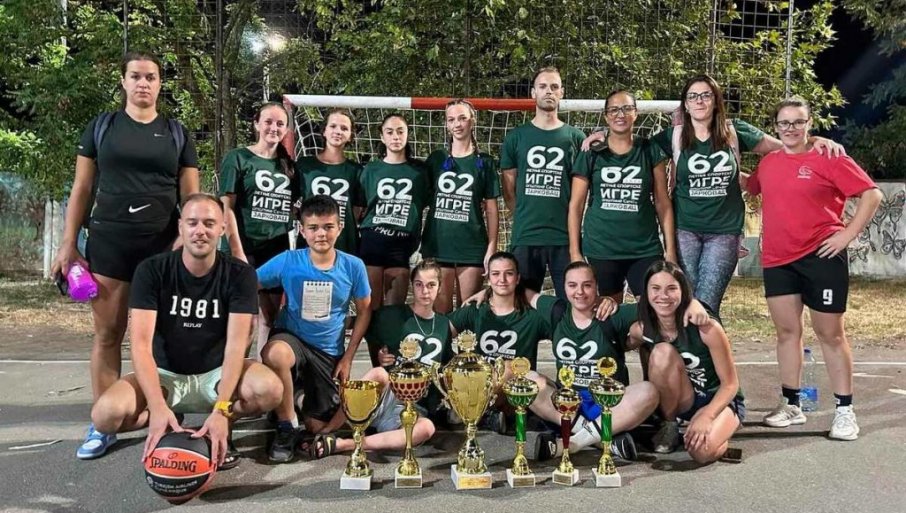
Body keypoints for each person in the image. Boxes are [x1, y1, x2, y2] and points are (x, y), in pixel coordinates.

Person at [582, 74, 843, 315]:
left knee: (706, 304)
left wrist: (812, 141)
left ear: (716, 100)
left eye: (705, 95)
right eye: (693, 96)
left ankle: (707, 351)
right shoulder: (673, 136)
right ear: (685, 104)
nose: (699, 101)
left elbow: (784, 146)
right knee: (683, 302)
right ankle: (685, 352)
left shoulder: (734, 131)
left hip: (724, 231)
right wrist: (604, 133)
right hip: (685, 230)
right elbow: (630, 143)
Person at [53, 51, 200, 460]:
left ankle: (167, 415)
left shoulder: (176, 133)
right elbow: (82, 188)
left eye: (151, 77)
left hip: (162, 249)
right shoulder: (102, 127)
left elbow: (190, 195)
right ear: (123, 81)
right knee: (107, 335)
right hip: (110, 245)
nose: (143, 83)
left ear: (160, 83)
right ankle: (104, 424)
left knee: (167, 338)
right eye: (135, 76)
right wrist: (68, 243)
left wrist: (185, 240)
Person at [88, 194, 282, 470]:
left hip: (216, 374)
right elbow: (140, 346)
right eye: (192, 223)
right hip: (165, 375)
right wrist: (156, 406)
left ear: (222, 228)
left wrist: (222, 410)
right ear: (180, 227)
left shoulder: (240, 275)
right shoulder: (152, 270)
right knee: (104, 416)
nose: (200, 230)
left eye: (209, 223)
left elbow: (236, 346)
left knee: (270, 390)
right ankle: (169, 420)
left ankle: (219, 425)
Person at [744, 97, 881, 440]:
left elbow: (872, 195)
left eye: (797, 122)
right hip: (778, 259)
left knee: (830, 334)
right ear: (776, 127)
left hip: (821, 255)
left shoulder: (829, 156)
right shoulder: (770, 163)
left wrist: (847, 235)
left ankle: (845, 411)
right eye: (784, 123)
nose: (790, 128)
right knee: (787, 333)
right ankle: (791, 405)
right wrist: (715, 166)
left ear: (809, 124)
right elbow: (750, 186)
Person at [258, 195, 372, 463]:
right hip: (292, 339)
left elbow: (365, 311)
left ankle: (295, 397)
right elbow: (248, 283)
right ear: (302, 230)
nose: (321, 234)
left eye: (328, 227)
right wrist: (262, 313)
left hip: (327, 351)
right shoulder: (288, 260)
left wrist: (348, 357)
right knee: (275, 353)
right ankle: (286, 425)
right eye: (313, 228)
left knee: (317, 427)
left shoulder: (353, 266)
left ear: (340, 228)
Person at [310, 260, 452, 459]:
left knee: (426, 428)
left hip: (414, 407)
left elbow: (445, 369)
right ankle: (328, 430)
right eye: (419, 284)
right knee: (378, 373)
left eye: (431, 285)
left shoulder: (444, 325)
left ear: (440, 287)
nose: (425, 291)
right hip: (387, 394)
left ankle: (345, 444)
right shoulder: (391, 315)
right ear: (412, 286)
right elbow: (361, 324)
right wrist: (379, 353)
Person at [631, 261, 744, 463]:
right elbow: (615, 333)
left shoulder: (707, 328)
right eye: (655, 288)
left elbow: (730, 384)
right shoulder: (643, 328)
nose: (663, 296)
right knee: (661, 352)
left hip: (718, 399)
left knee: (701, 452)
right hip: (685, 399)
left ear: (683, 291)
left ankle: (720, 436)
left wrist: (708, 415)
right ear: (646, 293)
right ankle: (669, 425)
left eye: (671, 288)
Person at [569, 90, 675, 302]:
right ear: (606, 116)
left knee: (652, 308)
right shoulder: (591, 152)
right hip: (602, 248)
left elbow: (663, 202)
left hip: (644, 248)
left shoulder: (650, 149)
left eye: (627, 108)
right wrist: (575, 252)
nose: (620, 114)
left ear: (636, 113)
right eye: (614, 110)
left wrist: (670, 249)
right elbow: (576, 205)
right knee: (608, 310)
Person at [500, 66, 586, 299]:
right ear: (533, 92)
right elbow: (509, 189)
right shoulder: (516, 137)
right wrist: (524, 214)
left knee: (571, 305)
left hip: (565, 238)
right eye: (543, 86)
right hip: (526, 236)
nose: (549, 91)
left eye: (554, 87)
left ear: (562, 93)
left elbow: (580, 192)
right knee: (522, 304)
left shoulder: (576, 137)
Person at [219, 102, 297, 358]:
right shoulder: (238, 158)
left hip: (276, 248)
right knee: (245, 320)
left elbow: (297, 207)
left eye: (280, 124)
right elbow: (226, 208)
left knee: (270, 317)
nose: (274, 128)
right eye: (268, 122)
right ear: (256, 124)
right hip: (244, 246)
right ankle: (231, 373)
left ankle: (263, 374)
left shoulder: (289, 167)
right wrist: (237, 252)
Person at [421, 100, 501, 313]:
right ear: (446, 124)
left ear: (472, 121)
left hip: (472, 246)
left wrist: (492, 247)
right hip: (438, 245)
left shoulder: (485, 162)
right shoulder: (436, 159)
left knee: (468, 315)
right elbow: (420, 198)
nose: (457, 124)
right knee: (441, 314)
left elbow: (491, 209)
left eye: (462, 118)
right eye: (451, 119)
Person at [358, 113, 431, 309]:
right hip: (372, 241)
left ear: (408, 134)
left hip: (402, 243)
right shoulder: (371, 169)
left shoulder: (420, 171)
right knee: (370, 309)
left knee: (394, 311)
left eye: (400, 131)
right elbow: (359, 207)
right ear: (382, 137)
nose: (395, 137)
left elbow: (429, 202)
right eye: (389, 132)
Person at [297, 108, 364, 255]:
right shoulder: (305, 165)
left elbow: (356, 210)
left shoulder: (357, 170)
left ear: (350, 136)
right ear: (324, 131)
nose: (338, 131)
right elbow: (291, 201)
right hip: (310, 243)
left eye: (344, 128)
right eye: (333, 126)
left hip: (344, 244)